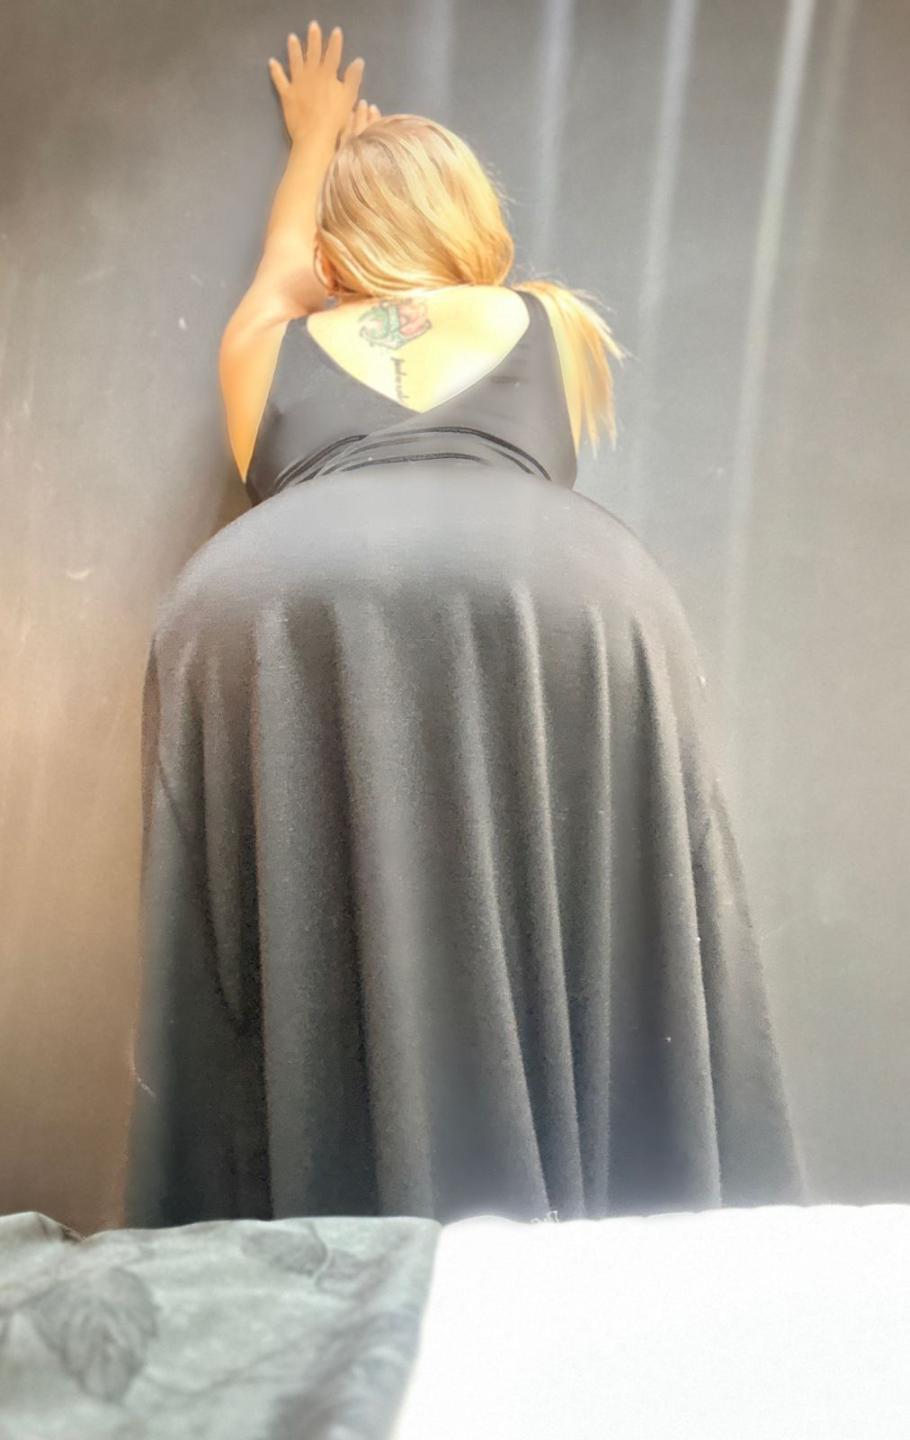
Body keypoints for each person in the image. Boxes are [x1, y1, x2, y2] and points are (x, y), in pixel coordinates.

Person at [125, 22, 805, 1227]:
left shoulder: (265, 345)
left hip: (277, 601)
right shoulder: (552, 324)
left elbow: (286, 264)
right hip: (550, 592)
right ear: (469, 216)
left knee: (304, 928)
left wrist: (318, 152)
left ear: (337, 245)